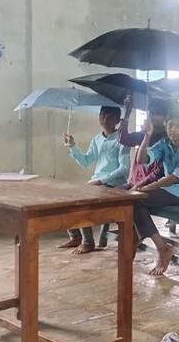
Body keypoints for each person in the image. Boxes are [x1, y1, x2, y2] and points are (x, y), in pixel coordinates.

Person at [134, 101, 179, 275]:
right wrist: (147, 136)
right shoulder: (165, 144)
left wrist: (148, 187)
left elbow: (175, 178)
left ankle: (154, 245)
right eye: (169, 126)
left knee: (138, 199)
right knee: (134, 202)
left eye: (177, 126)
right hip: (167, 190)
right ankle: (159, 246)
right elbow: (141, 160)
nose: (173, 130)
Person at [60, 106, 130, 254]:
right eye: (102, 115)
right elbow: (86, 161)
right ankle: (76, 236)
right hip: (96, 183)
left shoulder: (122, 140)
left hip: (114, 184)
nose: (104, 119)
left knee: (81, 199)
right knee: (65, 196)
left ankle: (88, 242)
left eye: (109, 116)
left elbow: (124, 169)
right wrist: (73, 146)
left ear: (117, 120)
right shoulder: (97, 139)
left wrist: (100, 181)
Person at [117, 95, 169, 190]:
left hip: (150, 187)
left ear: (165, 117)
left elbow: (158, 172)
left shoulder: (166, 139)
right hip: (133, 183)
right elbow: (123, 139)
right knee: (109, 197)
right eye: (151, 113)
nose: (154, 117)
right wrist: (127, 113)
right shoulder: (142, 134)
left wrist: (138, 186)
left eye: (158, 114)